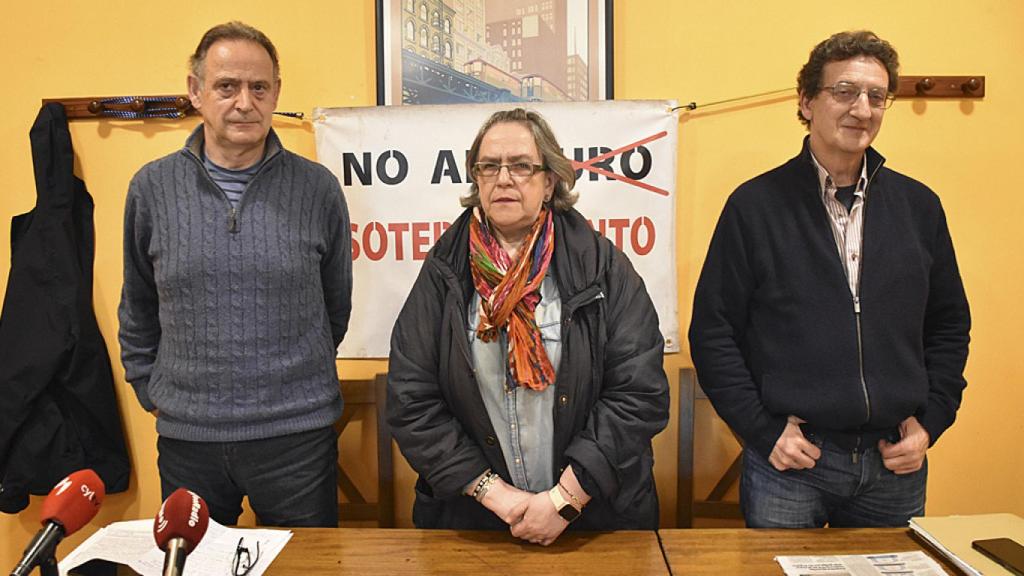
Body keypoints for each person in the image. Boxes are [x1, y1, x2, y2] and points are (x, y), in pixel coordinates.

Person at [689, 30, 970, 528]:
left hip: (894, 466)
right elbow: (713, 333)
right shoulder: (754, 207)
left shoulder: (920, 207)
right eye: (844, 91)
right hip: (793, 466)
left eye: (876, 96)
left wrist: (932, 423)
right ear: (806, 101)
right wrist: (762, 430)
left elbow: (948, 326)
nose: (862, 109)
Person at [387, 108, 668, 545]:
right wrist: (497, 497)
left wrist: (564, 500)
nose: (504, 178)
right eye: (489, 167)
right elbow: (412, 399)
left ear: (549, 180)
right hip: (477, 521)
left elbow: (639, 394)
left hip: (593, 520)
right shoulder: (444, 271)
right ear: (476, 180)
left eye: (521, 166)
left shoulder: (602, 267)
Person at [118, 22, 352, 527]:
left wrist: (290, 386)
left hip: (296, 441)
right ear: (196, 92)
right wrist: (150, 388)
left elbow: (336, 306)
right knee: (192, 565)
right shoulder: (151, 189)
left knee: (306, 569)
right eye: (227, 86)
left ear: (275, 94)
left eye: (259, 87)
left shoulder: (319, 189)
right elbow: (138, 305)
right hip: (188, 442)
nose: (244, 102)